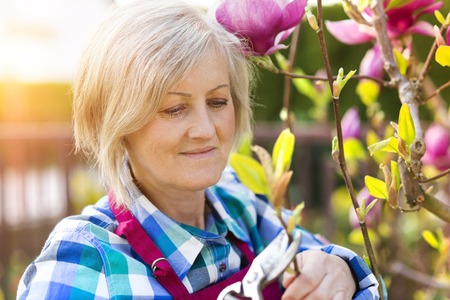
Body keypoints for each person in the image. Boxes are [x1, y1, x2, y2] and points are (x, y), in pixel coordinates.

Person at [17, 0, 380, 299]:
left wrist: (343, 273)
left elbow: (343, 272)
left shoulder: (241, 208)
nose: (206, 130)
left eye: (219, 101)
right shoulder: (81, 264)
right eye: (175, 108)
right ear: (118, 122)